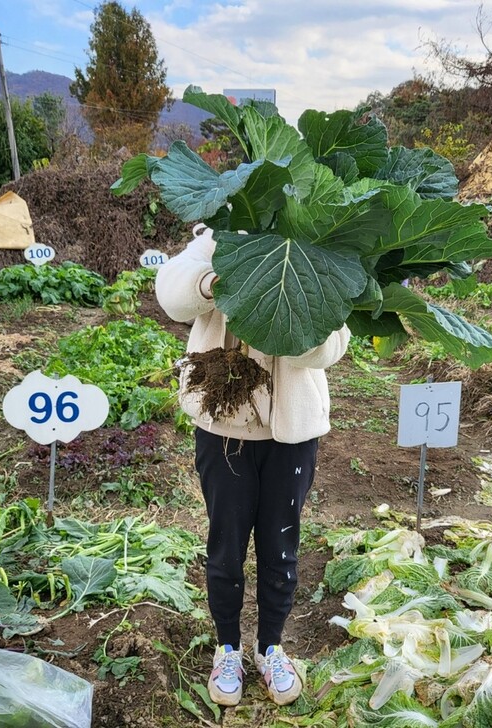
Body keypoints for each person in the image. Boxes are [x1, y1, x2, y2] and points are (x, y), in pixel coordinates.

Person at [155, 224, 349, 707]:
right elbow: (171, 289)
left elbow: (333, 345)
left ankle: (270, 647)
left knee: (281, 546)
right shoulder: (223, 235)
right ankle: (227, 647)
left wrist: (285, 321)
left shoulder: (315, 243)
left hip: (292, 434)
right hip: (225, 428)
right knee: (226, 544)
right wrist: (217, 282)